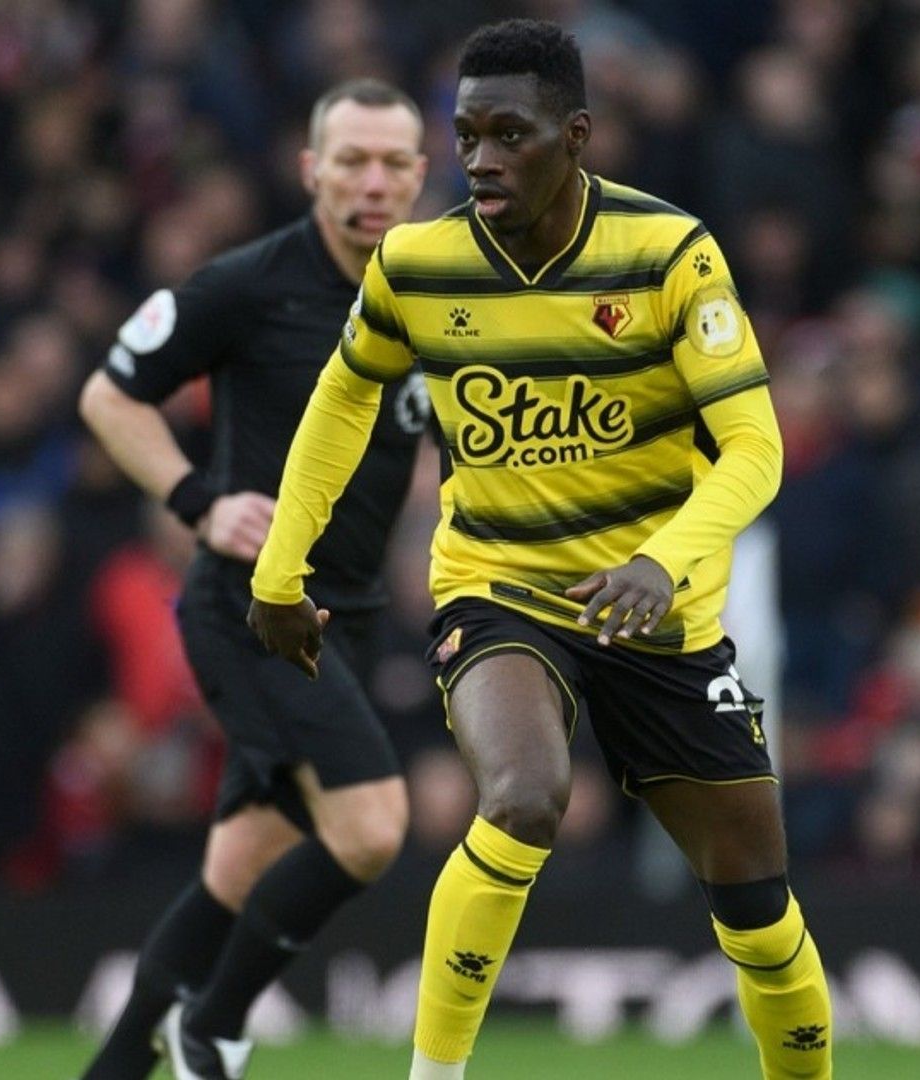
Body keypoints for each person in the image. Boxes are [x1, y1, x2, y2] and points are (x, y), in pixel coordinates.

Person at [249, 21, 834, 1080]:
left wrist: (663, 563)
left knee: (757, 912)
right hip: (499, 587)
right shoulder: (418, 265)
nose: (479, 159)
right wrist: (279, 569)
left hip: (663, 613)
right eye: (466, 134)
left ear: (577, 137)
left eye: (508, 134)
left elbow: (756, 448)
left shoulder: (668, 252)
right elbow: (342, 403)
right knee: (522, 793)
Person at [75, 79, 430, 1080]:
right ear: (311, 169)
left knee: (238, 866)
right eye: (350, 160)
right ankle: (215, 1027)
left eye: (392, 162)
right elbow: (110, 396)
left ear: (420, 174)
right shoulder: (247, 283)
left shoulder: (436, 290)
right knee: (370, 828)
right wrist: (198, 500)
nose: (372, 181)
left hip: (351, 618)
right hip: (255, 609)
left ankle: (113, 1067)